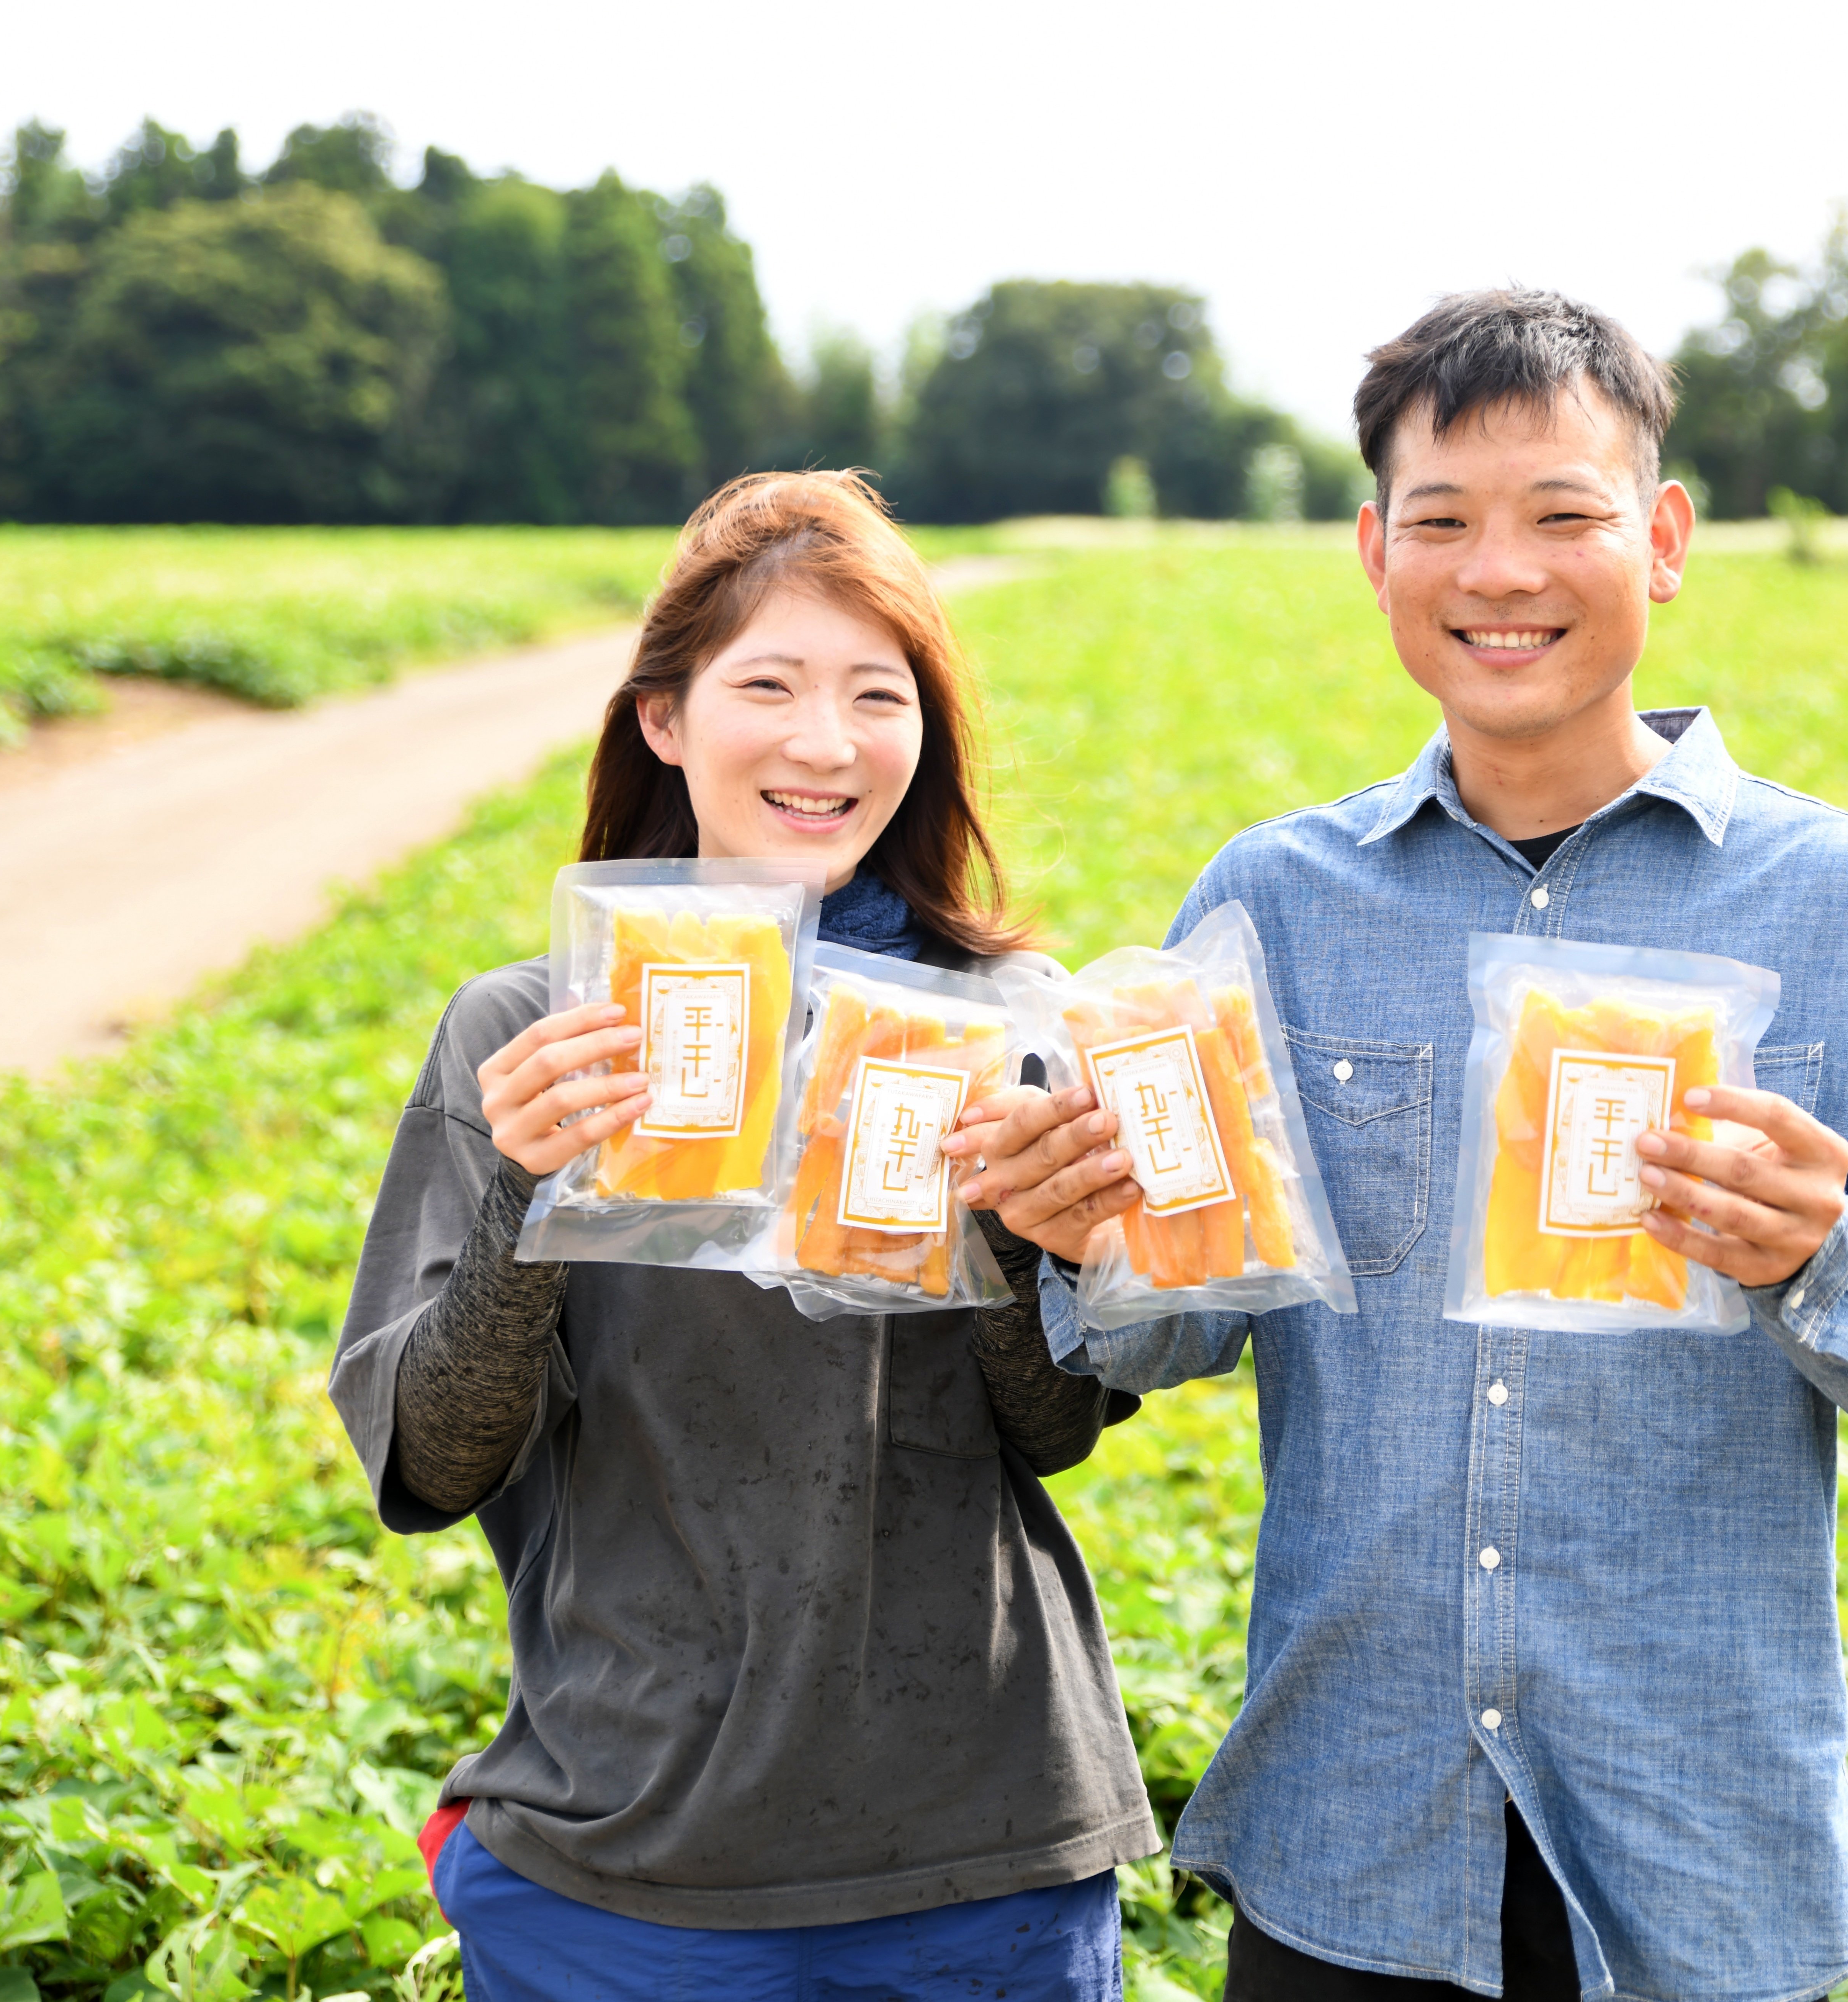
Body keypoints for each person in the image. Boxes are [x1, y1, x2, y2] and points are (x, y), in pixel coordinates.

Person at [953, 291, 1848, 2002]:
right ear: (1374, 549)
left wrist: (1814, 1254)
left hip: (1698, 1851)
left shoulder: (1846, 904)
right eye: (1445, 520)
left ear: (1663, 539)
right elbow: (1176, 1324)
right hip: (1351, 1834)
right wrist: (1075, 1229)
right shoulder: (1273, 903)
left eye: (1563, 514)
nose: (1501, 572)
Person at [330, 471, 1158, 2002]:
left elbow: (1049, 1433)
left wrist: (1016, 1236)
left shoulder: (1005, 1026)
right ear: (664, 716)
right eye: (765, 684)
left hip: (983, 1852)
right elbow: (433, 1465)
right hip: (632, 1861)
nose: (824, 743)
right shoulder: (535, 1033)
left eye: (876, 693)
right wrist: (532, 1191)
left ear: (925, 732)